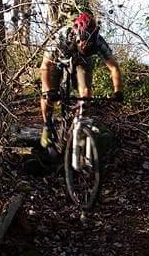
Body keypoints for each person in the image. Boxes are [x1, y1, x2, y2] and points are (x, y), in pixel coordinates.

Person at [39, 12, 123, 159]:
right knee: (48, 94)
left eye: (88, 46)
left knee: (85, 93)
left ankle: (79, 125)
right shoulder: (61, 36)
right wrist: (49, 91)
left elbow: (114, 67)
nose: (85, 46)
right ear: (77, 35)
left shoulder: (98, 42)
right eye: (82, 43)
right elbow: (45, 66)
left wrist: (118, 91)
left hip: (82, 62)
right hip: (57, 60)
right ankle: (47, 125)